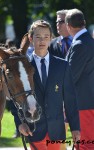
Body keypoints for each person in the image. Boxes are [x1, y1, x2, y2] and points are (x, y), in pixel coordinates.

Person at [10, 20, 80, 150]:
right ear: (31, 38)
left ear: (51, 38)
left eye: (46, 37)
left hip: (56, 131)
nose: (42, 40)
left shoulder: (63, 66)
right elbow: (16, 98)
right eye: (38, 37)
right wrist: (20, 124)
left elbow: (71, 100)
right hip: (34, 130)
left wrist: (75, 128)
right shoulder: (25, 68)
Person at [65, 8, 94, 150]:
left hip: (84, 104)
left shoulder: (80, 45)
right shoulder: (89, 41)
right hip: (87, 102)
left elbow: (69, 76)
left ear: (68, 26)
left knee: (85, 145)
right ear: (84, 23)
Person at [49, 9, 72, 150]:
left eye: (61, 21)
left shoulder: (80, 41)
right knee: (59, 134)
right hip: (59, 95)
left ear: (69, 23)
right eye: (56, 21)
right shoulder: (52, 44)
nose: (57, 24)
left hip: (78, 96)